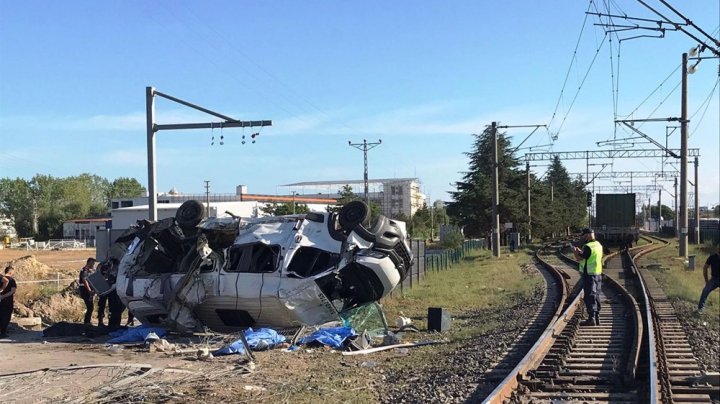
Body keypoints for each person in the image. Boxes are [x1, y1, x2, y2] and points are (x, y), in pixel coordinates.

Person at [572, 228, 603, 326]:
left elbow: (580, 258)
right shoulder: (598, 245)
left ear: (588, 235)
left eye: (584, 235)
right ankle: (597, 317)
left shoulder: (588, 246)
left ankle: (591, 318)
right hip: (597, 273)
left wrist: (575, 251)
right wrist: (581, 252)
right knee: (596, 295)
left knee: (590, 295)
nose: (582, 237)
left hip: (589, 274)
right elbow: (588, 256)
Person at [697, 244, 720, 313]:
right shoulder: (712, 257)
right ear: (717, 249)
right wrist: (706, 281)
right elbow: (705, 268)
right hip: (714, 279)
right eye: (719, 249)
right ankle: (700, 308)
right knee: (705, 290)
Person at [0, 265, 17, 338]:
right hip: (7, 301)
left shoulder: (1, 278)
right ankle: (3, 332)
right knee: (6, 317)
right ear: (11, 272)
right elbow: (12, 291)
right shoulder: (12, 280)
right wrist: (4, 296)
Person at [78, 257, 96, 325]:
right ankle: (87, 322)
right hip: (85, 290)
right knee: (90, 307)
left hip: (88, 290)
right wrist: (89, 291)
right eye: (93, 263)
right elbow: (85, 281)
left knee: (90, 307)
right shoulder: (84, 270)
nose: (94, 265)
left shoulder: (90, 270)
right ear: (90, 262)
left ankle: (88, 321)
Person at [96, 261, 111, 327]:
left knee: (112, 305)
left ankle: (111, 320)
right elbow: (101, 276)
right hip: (103, 288)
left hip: (111, 289)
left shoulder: (114, 268)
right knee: (101, 305)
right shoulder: (104, 267)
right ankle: (100, 320)